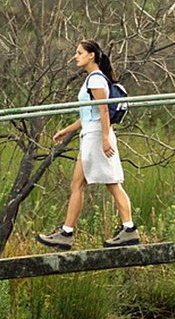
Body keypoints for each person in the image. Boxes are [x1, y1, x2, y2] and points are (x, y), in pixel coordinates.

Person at [36, 39, 140, 250]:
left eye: (79, 52)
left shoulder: (96, 79)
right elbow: (88, 114)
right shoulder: (91, 80)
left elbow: (103, 110)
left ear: (91, 55)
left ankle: (129, 229)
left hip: (96, 136)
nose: (76, 56)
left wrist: (104, 139)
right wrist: (67, 130)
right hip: (89, 134)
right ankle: (66, 233)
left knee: (112, 182)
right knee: (76, 185)